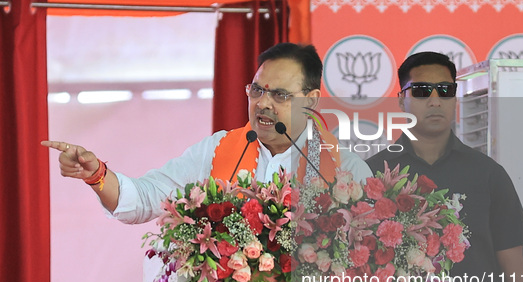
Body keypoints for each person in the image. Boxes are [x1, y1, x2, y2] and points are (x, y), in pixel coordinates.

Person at [42, 43, 372, 224]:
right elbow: (144, 199)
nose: (262, 104)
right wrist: (97, 175)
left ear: (311, 100)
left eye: (279, 96)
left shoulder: (345, 167)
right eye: (256, 91)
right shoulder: (218, 150)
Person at [366, 52, 523, 282]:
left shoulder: (489, 175)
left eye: (445, 90)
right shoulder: (372, 174)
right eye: (423, 90)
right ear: (402, 99)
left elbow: (514, 275)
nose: (434, 100)